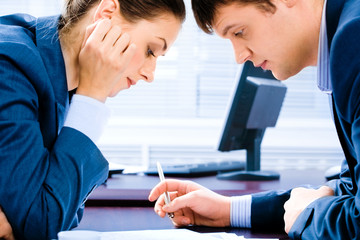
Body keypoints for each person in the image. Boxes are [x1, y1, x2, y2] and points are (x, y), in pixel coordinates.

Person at [149, 0, 360, 239]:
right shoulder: (346, 33)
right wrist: (228, 210)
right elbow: (352, 188)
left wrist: (306, 214)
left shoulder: (354, 41)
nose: (239, 57)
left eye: (239, 32)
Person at [0, 0, 185, 239]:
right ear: (107, 14)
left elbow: (63, 212)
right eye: (151, 50)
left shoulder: (57, 82)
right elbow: (41, 225)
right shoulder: (11, 66)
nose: (150, 74)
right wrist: (92, 96)